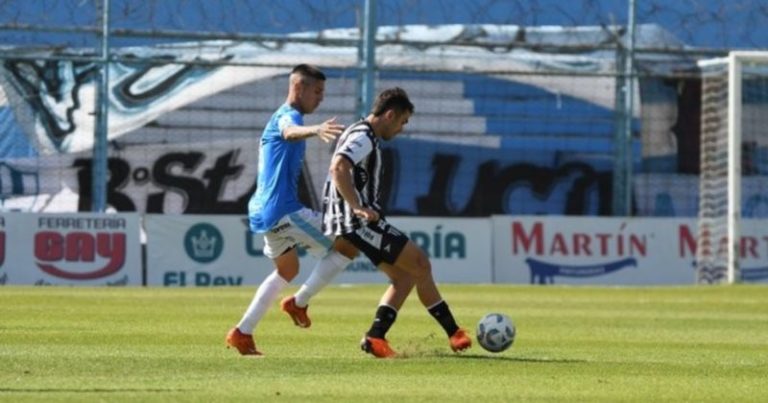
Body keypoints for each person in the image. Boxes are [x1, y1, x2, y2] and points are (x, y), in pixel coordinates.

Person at [322, 87, 472, 358]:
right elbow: (338, 167)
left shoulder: (361, 133)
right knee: (420, 263)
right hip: (357, 221)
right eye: (403, 122)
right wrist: (357, 207)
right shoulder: (364, 136)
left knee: (404, 278)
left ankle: (376, 337)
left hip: (352, 220)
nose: (402, 129)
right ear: (390, 114)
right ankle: (454, 332)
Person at [226, 64, 358, 356]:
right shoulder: (289, 115)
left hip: (264, 211)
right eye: (317, 91)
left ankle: (242, 333)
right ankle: (298, 303)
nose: (321, 98)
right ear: (299, 88)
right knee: (349, 245)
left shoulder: (280, 115)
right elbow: (289, 132)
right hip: (283, 210)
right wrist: (316, 129)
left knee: (288, 269)